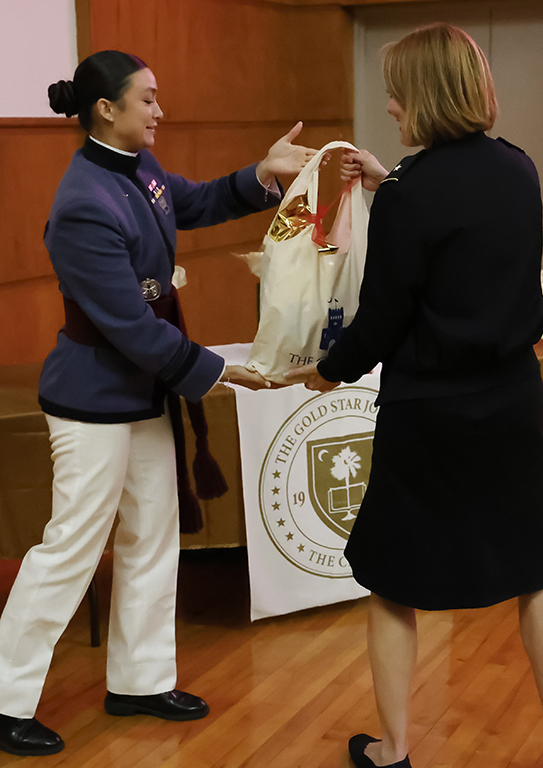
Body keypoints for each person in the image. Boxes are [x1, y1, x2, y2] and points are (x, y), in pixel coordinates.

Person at [286, 23, 543, 768]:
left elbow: (383, 317)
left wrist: (328, 371)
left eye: (397, 94)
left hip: (427, 416)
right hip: (512, 404)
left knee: (392, 583)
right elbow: (461, 228)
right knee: (536, 570)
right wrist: (389, 183)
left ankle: (394, 751)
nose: (391, 107)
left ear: (426, 95)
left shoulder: (410, 193)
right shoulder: (519, 169)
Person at [0, 50, 317, 757]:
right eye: (146, 99)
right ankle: (3, 697)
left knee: (152, 534)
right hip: (92, 398)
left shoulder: (137, 168)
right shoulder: (82, 204)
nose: (158, 110)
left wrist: (264, 174)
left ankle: (139, 681)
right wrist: (220, 371)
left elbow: (195, 201)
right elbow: (129, 325)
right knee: (71, 548)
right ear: (105, 109)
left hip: (142, 389)